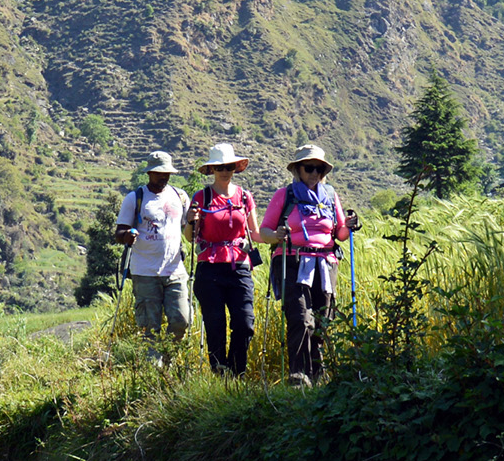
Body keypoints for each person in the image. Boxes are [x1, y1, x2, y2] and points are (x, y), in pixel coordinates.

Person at [259, 143, 352, 384]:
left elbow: (340, 233)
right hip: (292, 261)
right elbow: (265, 230)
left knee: (322, 320)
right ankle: (298, 375)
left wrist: (350, 225)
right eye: (309, 168)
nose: (314, 174)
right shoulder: (285, 195)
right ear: (298, 170)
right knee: (300, 318)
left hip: (325, 263)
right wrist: (277, 235)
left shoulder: (331, 196)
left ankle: (318, 375)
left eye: (319, 170)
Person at [187, 142, 259, 376]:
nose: (225, 171)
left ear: (235, 168)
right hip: (209, 268)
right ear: (213, 170)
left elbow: (255, 233)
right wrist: (190, 220)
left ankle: (237, 372)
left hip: (239, 266)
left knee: (245, 322)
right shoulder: (202, 196)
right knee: (215, 323)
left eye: (229, 166)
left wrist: (279, 236)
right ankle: (220, 371)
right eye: (220, 168)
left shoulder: (246, 198)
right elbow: (190, 237)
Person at [112, 150, 191, 346]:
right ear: (149, 173)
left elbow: (190, 229)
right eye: (158, 173)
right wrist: (127, 236)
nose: (163, 177)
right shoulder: (135, 198)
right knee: (149, 328)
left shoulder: (180, 197)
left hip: (175, 271)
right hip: (145, 272)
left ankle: (169, 362)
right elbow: (119, 233)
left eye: (166, 173)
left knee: (182, 320)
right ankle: (153, 369)